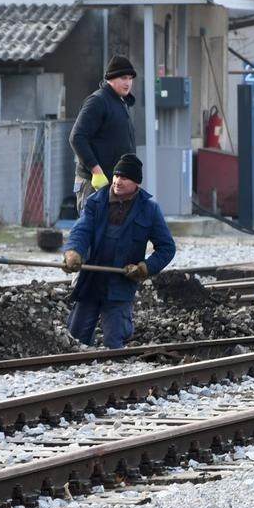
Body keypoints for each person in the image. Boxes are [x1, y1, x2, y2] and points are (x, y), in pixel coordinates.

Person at [61, 153, 175, 349]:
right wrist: (73, 252)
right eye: (116, 176)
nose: (118, 181)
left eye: (124, 177)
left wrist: (144, 268)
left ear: (136, 183)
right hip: (92, 279)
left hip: (120, 283)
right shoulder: (96, 202)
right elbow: (82, 230)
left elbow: (167, 248)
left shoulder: (149, 209)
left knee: (114, 342)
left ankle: (114, 374)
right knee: (76, 339)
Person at [68, 54, 137, 211]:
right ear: (110, 79)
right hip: (95, 185)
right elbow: (77, 137)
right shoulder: (98, 101)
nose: (128, 83)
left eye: (130, 78)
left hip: (116, 185)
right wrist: (96, 171)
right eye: (123, 78)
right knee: (92, 232)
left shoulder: (121, 103)